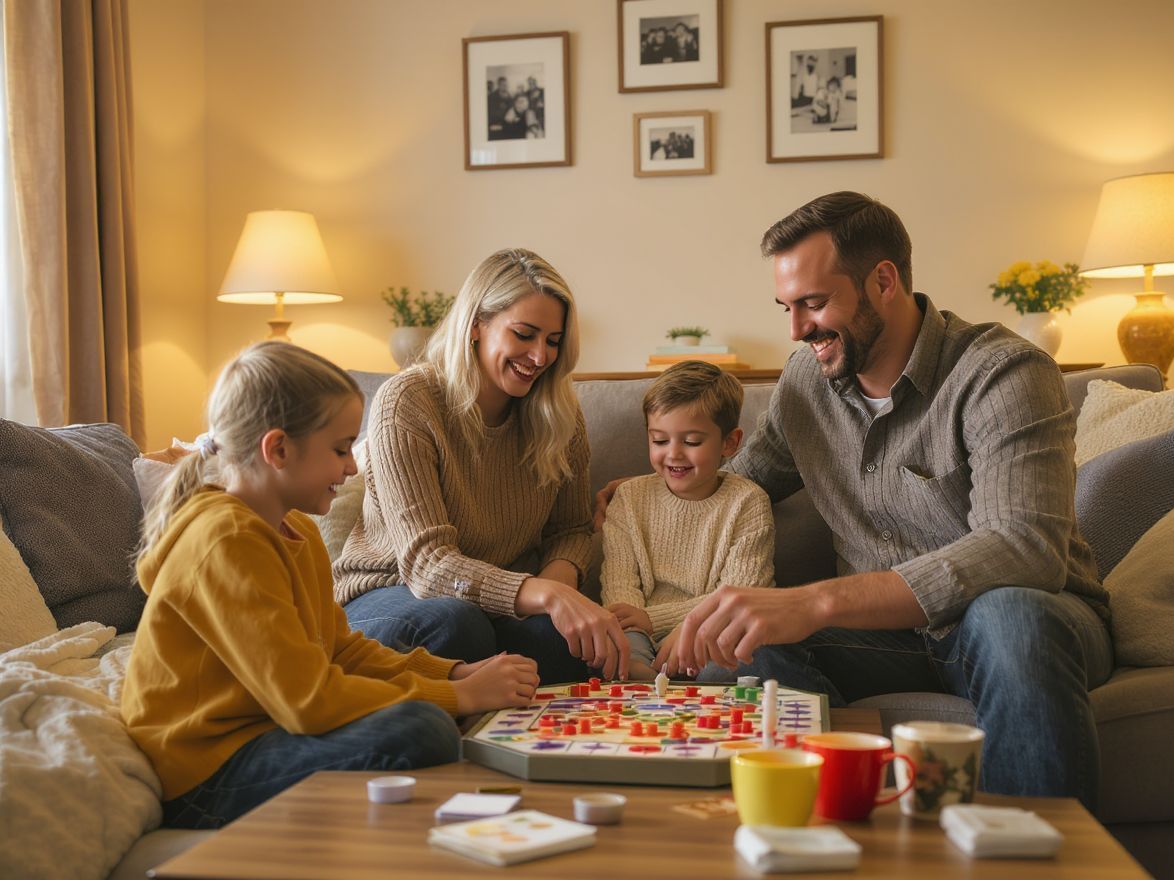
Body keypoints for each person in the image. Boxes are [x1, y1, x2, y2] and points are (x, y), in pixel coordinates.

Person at [601, 192, 1113, 808]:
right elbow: (741, 481)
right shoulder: (805, 385)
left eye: (814, 304)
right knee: (747, 643)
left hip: (1022, 621)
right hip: (884, 640)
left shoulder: (1001, 373)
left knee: (1013, 616)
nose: (795, 330)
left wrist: (815, 601)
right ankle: (839, 822)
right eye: (787, 307)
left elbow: (1023, 548)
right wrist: (650, 495)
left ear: (884, 281)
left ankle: (1040, 859)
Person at [122, 342, 539, 830]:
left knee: (428, 722)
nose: (352, 467)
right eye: (341, 449)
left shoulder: (293, 531)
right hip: (205, 769)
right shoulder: (226, 542)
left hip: (265, 728)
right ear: (277, 449)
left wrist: (453, 674)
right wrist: (459, 700)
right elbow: (308, 703)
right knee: (422, 729)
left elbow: (339, 649)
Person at [334, 249, 631, 683]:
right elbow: (427, 564)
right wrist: (546, 594)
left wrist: (558, 600)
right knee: (457, 624)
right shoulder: (409, 401)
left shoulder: (559, 414)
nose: (540, 356)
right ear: (476, 324)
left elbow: (569, 531)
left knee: (564, 642)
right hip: (391, 593)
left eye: (552, 341)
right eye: (525, 334)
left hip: (496, 601)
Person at [600, 361, 775, 680]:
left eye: (691, 442)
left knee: (732, 658)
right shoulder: (628, 498)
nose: (674, 454)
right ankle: (640, 683)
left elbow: (740, 595)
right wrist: (637, 629)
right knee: (613, 643)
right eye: (660, 441)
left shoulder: (748, 502)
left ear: (730, 443)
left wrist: (658, 620)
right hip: (637, 632)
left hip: (715, 628)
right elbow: (619, 584)